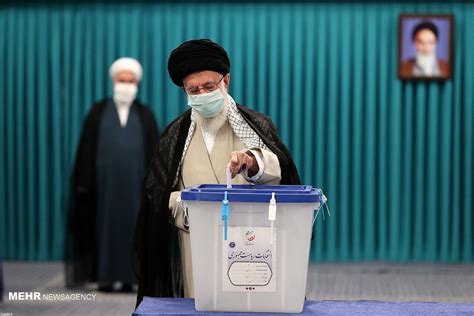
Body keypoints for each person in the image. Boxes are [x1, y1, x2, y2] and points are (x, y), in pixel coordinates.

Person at [133, 39, 300, 306]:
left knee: (247, 307)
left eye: (209, 86)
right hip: (196, 244)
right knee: (200, 304)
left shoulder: (255, 124)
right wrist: (192, 208)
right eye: (193, 90)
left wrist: (251, 163)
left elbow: (280, 172)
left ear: (226, 81)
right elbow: (158, 194)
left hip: (250, 242)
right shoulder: (176, 135)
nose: (202, 94)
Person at [66, 57, 160, 292]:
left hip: (135, 190)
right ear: (114, 81)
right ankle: (105, 276)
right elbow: (86, 152)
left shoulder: (145, 115)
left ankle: (132, 276)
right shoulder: (97, 112)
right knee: (103, 227)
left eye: (130, 81)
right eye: (122, 80)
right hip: (102, 189)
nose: (125, 85)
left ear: (137, 84)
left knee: (134, 228)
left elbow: (155, 153)